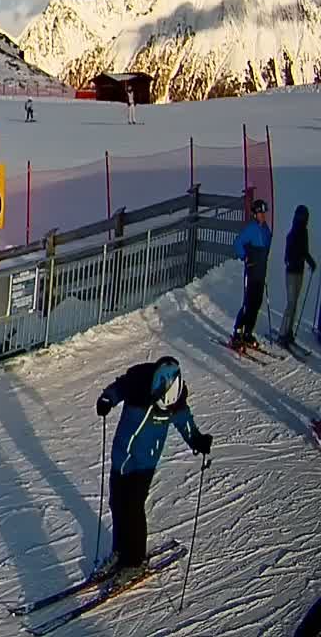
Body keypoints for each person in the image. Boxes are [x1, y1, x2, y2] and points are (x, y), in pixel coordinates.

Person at [95, 356, 212, 575]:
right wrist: (107, 399)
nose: (163, 408)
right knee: (117, 504)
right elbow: (119, 387)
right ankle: (120, 551)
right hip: (121, 458)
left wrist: (198, 440)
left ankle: (135, 562)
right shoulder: (137, 383)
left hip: (144, 464)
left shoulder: (175, 403)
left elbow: (186, 424)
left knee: (133, 509)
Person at [233, 198, 274, 348]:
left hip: (261, 271)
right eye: (260, 213)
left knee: (257, 303)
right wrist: (245, 256)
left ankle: (248, 332)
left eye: (264, 212)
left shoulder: (266, 229)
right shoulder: (250, 228)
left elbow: (268, 247)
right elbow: (237, 243)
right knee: (248, 303)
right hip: (252, 270)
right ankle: (237, 332)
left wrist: (264, 260)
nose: (263, 215)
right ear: (255, 214)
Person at [280, 204, 316, 348]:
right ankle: (282, 333)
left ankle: (288, 331)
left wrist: (310, 262)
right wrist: (292, 260)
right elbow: (287, 255)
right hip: (291, 273)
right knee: (290, 304)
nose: (303, 220)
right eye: (302, 217)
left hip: (299, 272)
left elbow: (304, 251)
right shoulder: (293, 233)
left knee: (294, 304)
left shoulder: (304, 232)